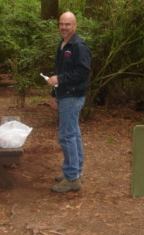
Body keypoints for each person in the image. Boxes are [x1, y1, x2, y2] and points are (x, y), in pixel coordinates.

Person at [46, 11, 92, 193]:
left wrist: (60, 79)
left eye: (68, 24)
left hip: (73, 96)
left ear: (75, 26)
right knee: (73, 134)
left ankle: (72, 177)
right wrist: (53, 94)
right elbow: (58, 71)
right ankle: (75, 171)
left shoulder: (78, 46)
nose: (64, 27)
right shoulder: (63, 45)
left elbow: (83, 72)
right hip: (64, 94)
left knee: (66, 136)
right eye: (61, 24)